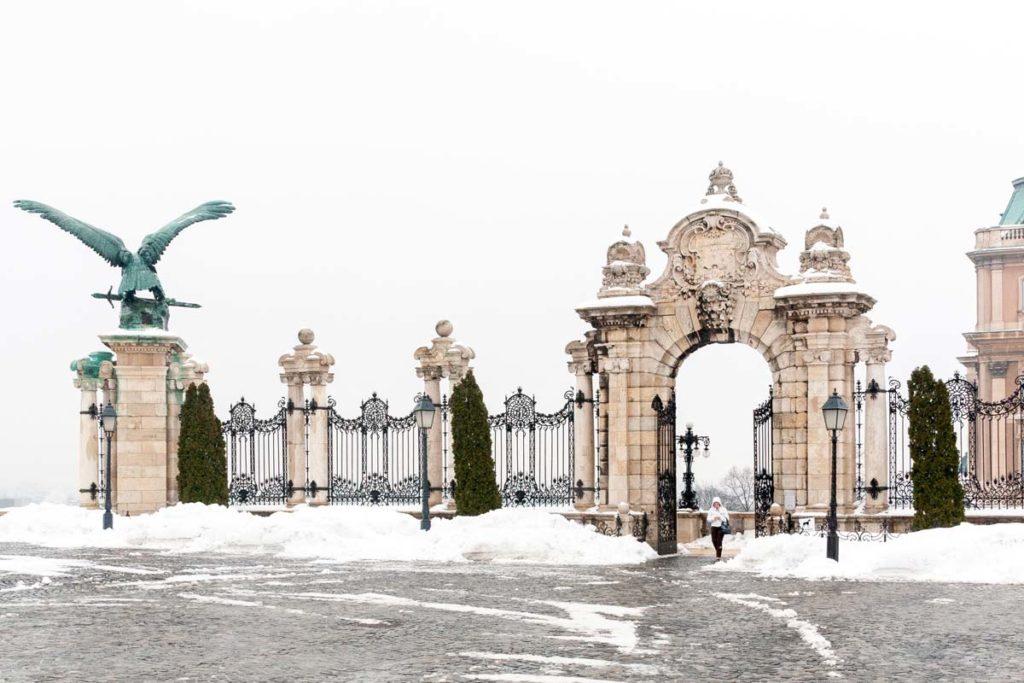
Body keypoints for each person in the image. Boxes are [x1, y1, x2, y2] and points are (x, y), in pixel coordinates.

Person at [706, 496, 730, 561]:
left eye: (717, 503)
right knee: (714, 541)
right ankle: (718, 551)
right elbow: (708, 519)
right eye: (715, 503)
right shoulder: (711, 510)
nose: (716, 504)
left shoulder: (723, 509)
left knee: (719, 541)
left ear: (719, 503)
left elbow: (727, 519)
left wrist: (720, 517)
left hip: (721, 527)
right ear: (713, 504)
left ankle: (718, 557)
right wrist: (713, 518)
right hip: (713, 527)